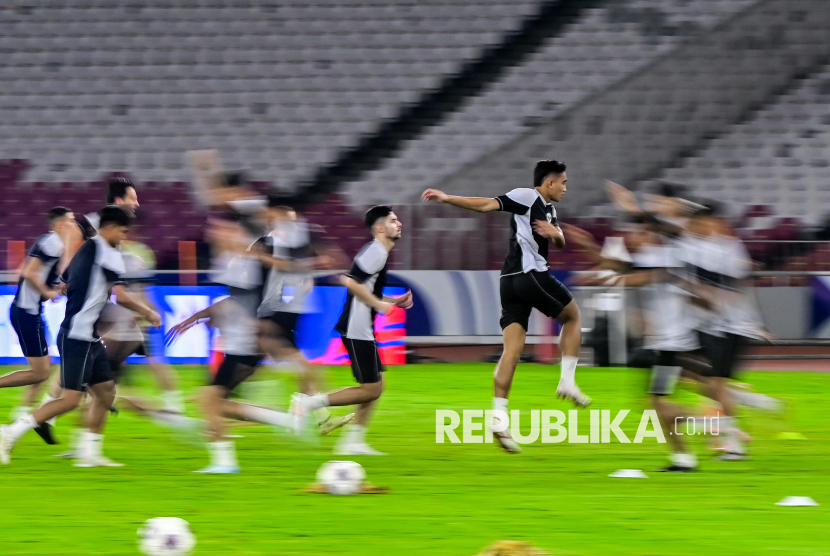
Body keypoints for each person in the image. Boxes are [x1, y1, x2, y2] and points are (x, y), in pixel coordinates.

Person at [421, 160, 588, 455]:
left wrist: (556, 234)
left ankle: (498, 417)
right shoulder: (527, 196)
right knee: (572, 317)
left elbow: (559, 240)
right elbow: (488, 205)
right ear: (549, 183)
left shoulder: (549, 209)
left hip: (509, 281)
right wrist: (447, 198)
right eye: (563, 182)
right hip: (530, 275)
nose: (566, 187)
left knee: (512, 350)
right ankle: (567, 382)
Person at [1, 206, 160, 467]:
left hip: (87, 336)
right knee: (70, 399)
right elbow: (121, 295)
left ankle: (89, 454)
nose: (123, 236)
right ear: (108, 228)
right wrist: (148, 312)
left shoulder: (86, 249)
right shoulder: (110, 255)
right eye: (122, 231)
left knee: (106, 392)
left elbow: (64, 281)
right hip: (78, 336)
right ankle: (10, 432)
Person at [291, 206, 413, 455]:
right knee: (371, 389)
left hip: (362, 327)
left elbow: (365, 288)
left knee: (377, 385)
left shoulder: (378, 252)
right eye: (393, 220)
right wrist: (380, 304)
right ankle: (310, 403)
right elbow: (349, 280)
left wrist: (391, 301)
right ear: (380, 228)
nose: (399, 223)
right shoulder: (376, 251)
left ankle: (353, 441)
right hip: (358, 329)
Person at [254, 198, 353, 435]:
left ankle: (318, 419)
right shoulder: (264, 244)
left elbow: (326, 259)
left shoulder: (299, 242)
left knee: (298, 369)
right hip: (267, 317)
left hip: (285, 315)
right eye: (286, 220)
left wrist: (313, 274)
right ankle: (218, 406)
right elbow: (280, 266)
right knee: (302, 368)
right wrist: (313, 264)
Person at [2, 207, 75, 423]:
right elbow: (28, 272)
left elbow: (38, 277)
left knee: (46, 367)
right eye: (71, 221)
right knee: (39, 373)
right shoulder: (52, 242)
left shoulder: (57, 245)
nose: (75, 225)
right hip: (26, 312)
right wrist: (47, 292)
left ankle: (22, 412)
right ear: (60, 225)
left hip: (32, 312)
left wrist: (57, 288)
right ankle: (23, 414)